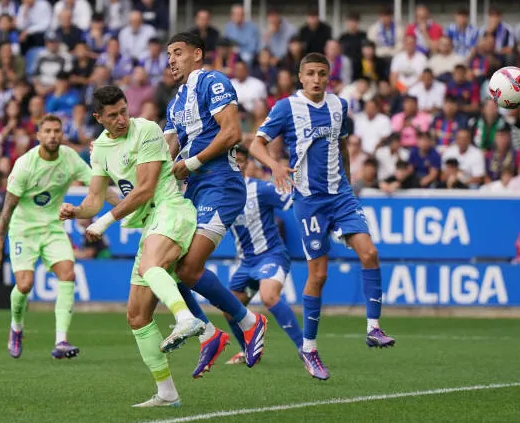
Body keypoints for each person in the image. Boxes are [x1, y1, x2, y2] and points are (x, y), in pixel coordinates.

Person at [249, 52, 395, 381]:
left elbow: (341, 145)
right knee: (319, 276)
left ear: (329, 77)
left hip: (340, 194)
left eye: (322, 74)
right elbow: (256, 144)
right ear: (300, 78)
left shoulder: (339, 106)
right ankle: (310, 349)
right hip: (309, 201)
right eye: (311, 73)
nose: (316, 79)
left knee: (370, 253)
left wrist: (347, 180)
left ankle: (374, 328)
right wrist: (274, 165)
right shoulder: (287, 107)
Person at [59, 87, 205, 407]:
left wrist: (103, 222)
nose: (122, 118)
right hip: (148, 226)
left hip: (170, 210)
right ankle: (167, 393)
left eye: (124, 110)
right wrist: (78, 212)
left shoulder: (147, 130)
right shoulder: (98, 149)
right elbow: (95, 198)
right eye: (113, 115)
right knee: (137, 317)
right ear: (98, 118)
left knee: (150, 267)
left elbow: (145, 189)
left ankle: (185, 319)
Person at [164, 32, 268, 377]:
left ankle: (250, 322)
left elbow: (232, 133)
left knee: (189, 268)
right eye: (168, 55)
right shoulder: (175, 103)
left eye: (178, 52)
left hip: (221, 182)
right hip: (194, 188)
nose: (172, 60)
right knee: (168, 267)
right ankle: (209, 335)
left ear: (197, 54)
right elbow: (164, 152)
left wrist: (190, 163)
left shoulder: (213, 81)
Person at [0, 114, 119, 361]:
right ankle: (16, 327)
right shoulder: (25, 165)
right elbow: (8, 207)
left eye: (57, 131)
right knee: (24, 285)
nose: (53, 135)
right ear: (38, 135)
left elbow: (98, 187)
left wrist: (126, 205)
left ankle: (61, 341)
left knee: (68, 273)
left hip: (53, 228)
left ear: (61, 134)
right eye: (48, 131)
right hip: (23, 230)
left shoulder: (69, 158)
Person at [224, 147, 303, 364]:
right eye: (234, 161)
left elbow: (293, 200)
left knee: (269, 297)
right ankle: (248, 352)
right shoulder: (221, 196)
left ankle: (304, 348)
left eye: (242, 161)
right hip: (246, 263)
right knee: (229, 309)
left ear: (248, 164)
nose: (238, 165)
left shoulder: (260, 189)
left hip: (271, 255)